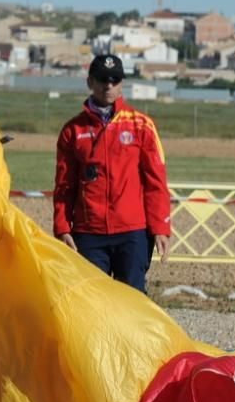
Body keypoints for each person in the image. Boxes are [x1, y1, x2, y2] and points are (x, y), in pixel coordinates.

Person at [53, 54, 171, 292]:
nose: (108, 85)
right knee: (92, 301)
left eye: (115, 79)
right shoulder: (72, 131)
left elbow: (155, 182)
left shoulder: (141, 125)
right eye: (102, 79)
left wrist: (160, 228)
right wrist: (62, 227)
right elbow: (65, 185)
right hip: (89, 233)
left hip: (132, 233)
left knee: (133, 300)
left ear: (121, 84)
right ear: (90, 82)